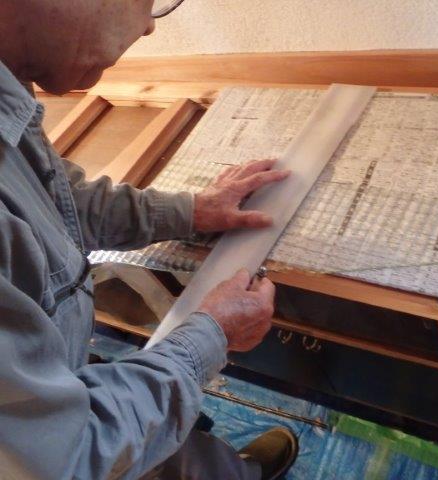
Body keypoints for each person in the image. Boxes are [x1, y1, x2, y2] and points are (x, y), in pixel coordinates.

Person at [0, 1, 299, 479]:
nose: (147, 26)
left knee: (164, 443)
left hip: (60, 397)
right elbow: (68, 459)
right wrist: (210, 336)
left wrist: (192, 211)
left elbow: (57, 201)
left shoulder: (9, 87)